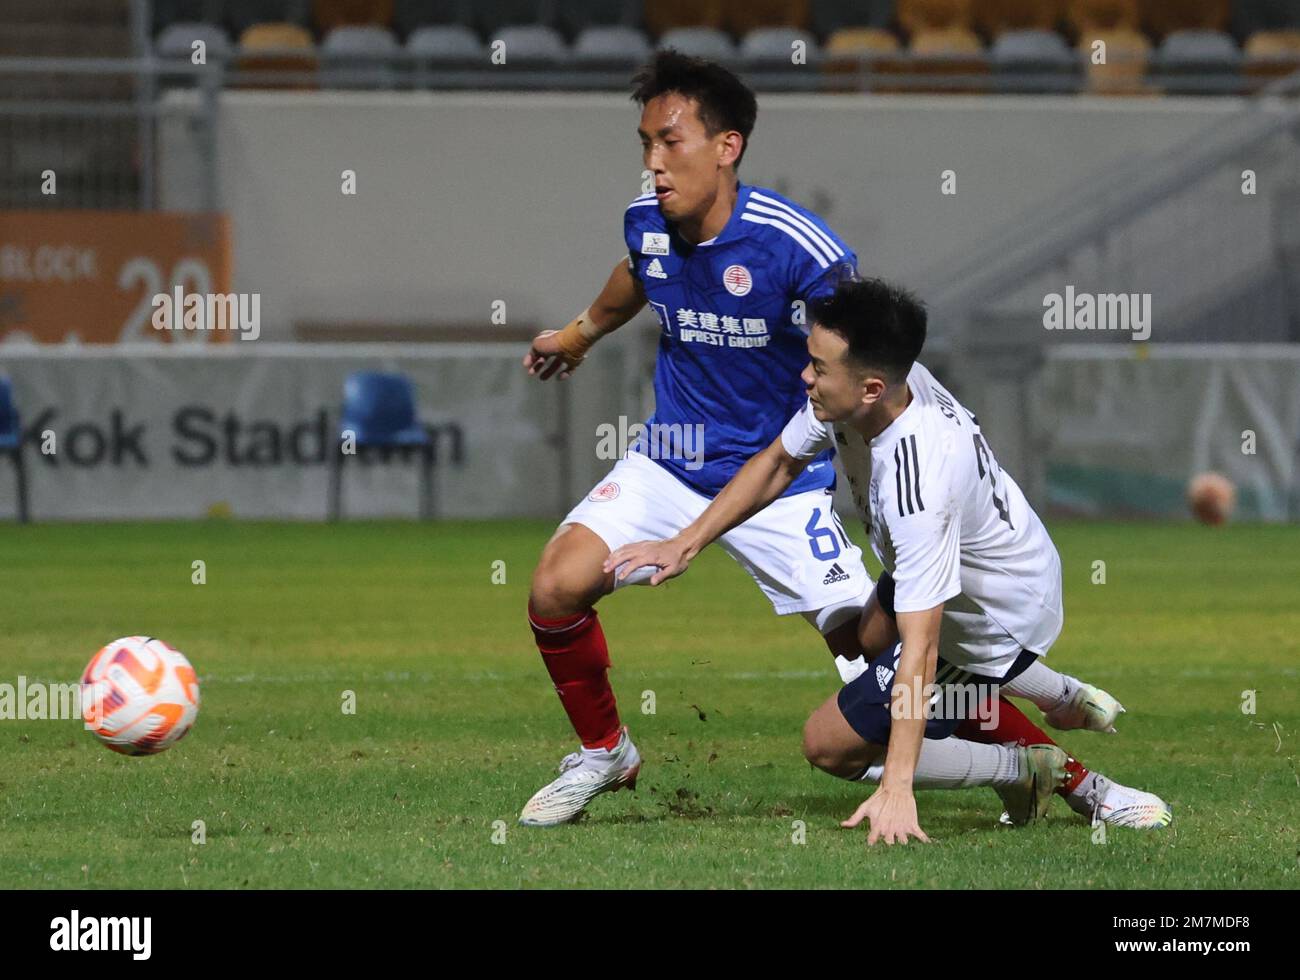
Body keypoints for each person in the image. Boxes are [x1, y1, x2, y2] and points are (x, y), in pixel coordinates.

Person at [606, 278, 1173, 843]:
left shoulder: (918, 483)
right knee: (865, 638)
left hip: (993, 614)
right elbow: (779, 462)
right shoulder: (882, 390)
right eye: (812, 359)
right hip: (981, 558)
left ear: (872, 388)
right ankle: (1063, 696)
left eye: (820, 368)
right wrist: (685, 542)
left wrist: (898, 785)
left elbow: (922, 650)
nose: (806, 376)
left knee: (830, 746)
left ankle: (1058, 778)